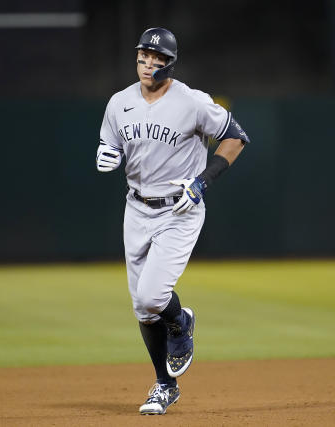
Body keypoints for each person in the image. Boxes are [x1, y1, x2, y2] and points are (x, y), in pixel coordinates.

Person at [96, 27, 250, 415]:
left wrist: (202, 182)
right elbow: (110, 142)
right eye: (144, 56)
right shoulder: (118, 103)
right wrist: (107, 153)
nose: (148, 63)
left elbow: (235, 137)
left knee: (152, 296)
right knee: (143, 309)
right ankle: (165, 386)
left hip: (179, 210)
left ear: (170, 64)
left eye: (157, 58)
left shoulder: (192, 102)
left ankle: (180, 321)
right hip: (136, 208)